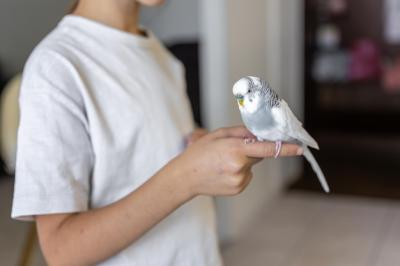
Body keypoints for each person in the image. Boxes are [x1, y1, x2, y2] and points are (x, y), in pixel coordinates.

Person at [11, 0, 302, 265]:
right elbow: (62, 251)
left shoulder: (162, 57)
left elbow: (149, 154)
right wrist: (188, 175)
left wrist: (197, 150)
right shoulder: (56, 68)